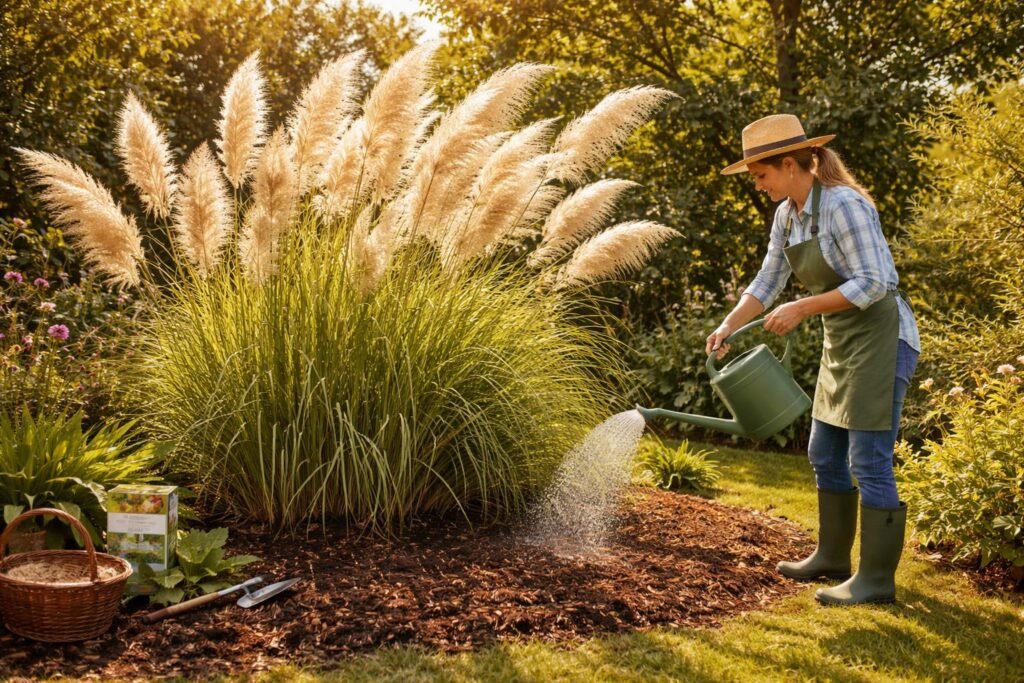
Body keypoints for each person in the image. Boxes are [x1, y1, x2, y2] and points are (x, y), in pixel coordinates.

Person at [708, 114, 920, 605]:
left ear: (789, 163)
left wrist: (802, 307)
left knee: (868, 460)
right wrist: (728, 325)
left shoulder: (844, 206)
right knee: (824, 453)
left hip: (884, 340)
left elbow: (876, 281)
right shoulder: (788, 215)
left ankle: (876, 580)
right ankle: (831, 556)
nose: (757, 185)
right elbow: (767, 281)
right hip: (843, 341)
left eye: (760, 175)